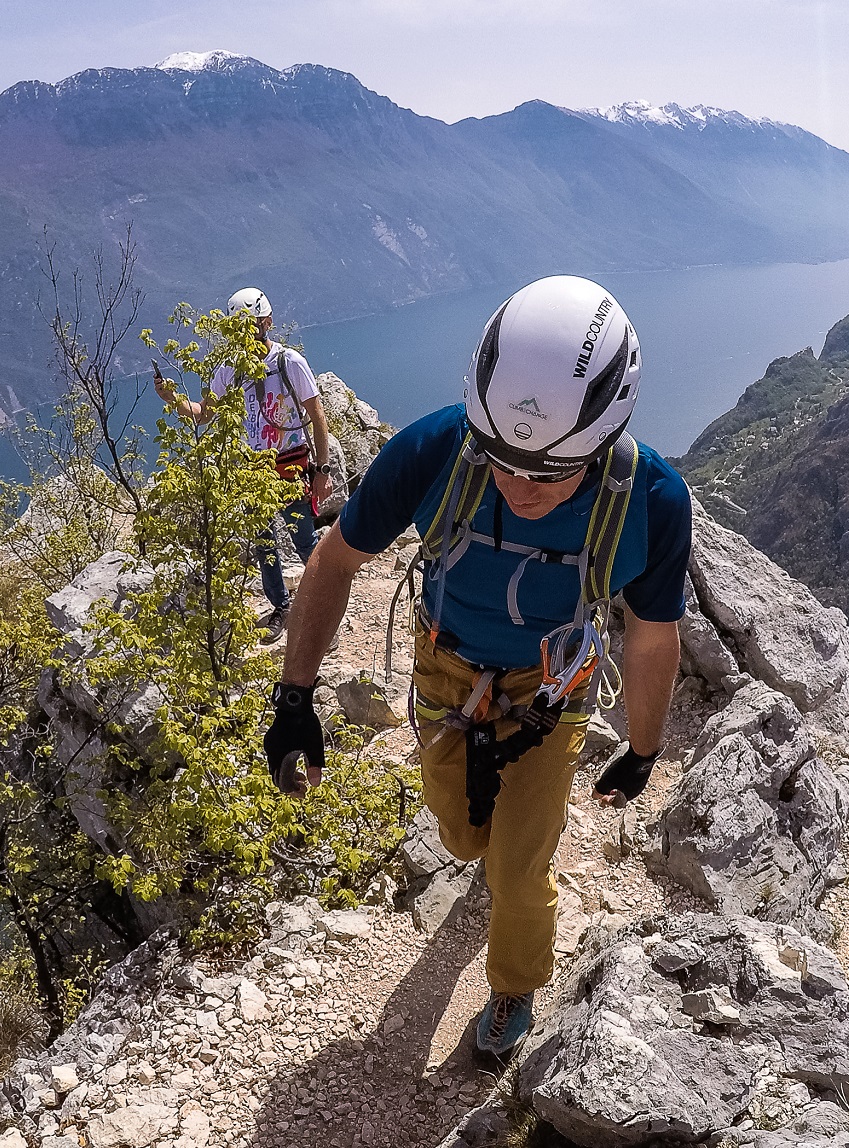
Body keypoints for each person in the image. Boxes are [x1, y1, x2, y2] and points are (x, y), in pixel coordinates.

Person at [265, 275, 692, 1063]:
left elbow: (652, 636)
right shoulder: (436, 449)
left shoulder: (652, 501)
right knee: (462, 840)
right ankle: (490, 854)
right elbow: (333, 562)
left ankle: (513, 986)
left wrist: (643, 748)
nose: (518, 487)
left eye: (549, 473)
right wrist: (294, 698)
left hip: (551, 694)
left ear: (601, 444)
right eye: (501, 461)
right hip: (446, 674)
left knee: (519, 869)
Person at [160, 287, 334, 632]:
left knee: (303, 540)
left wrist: (323, 471)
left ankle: (322, 615)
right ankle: (283, 609)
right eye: (241, 328)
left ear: (267, 322)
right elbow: (204, 414)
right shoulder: (228, 371)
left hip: (291, 465)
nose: (248, 334)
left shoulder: (289, 363)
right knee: (264, 543)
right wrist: (171, 397)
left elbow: (317, 416)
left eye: (253, 325)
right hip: (254, 471)